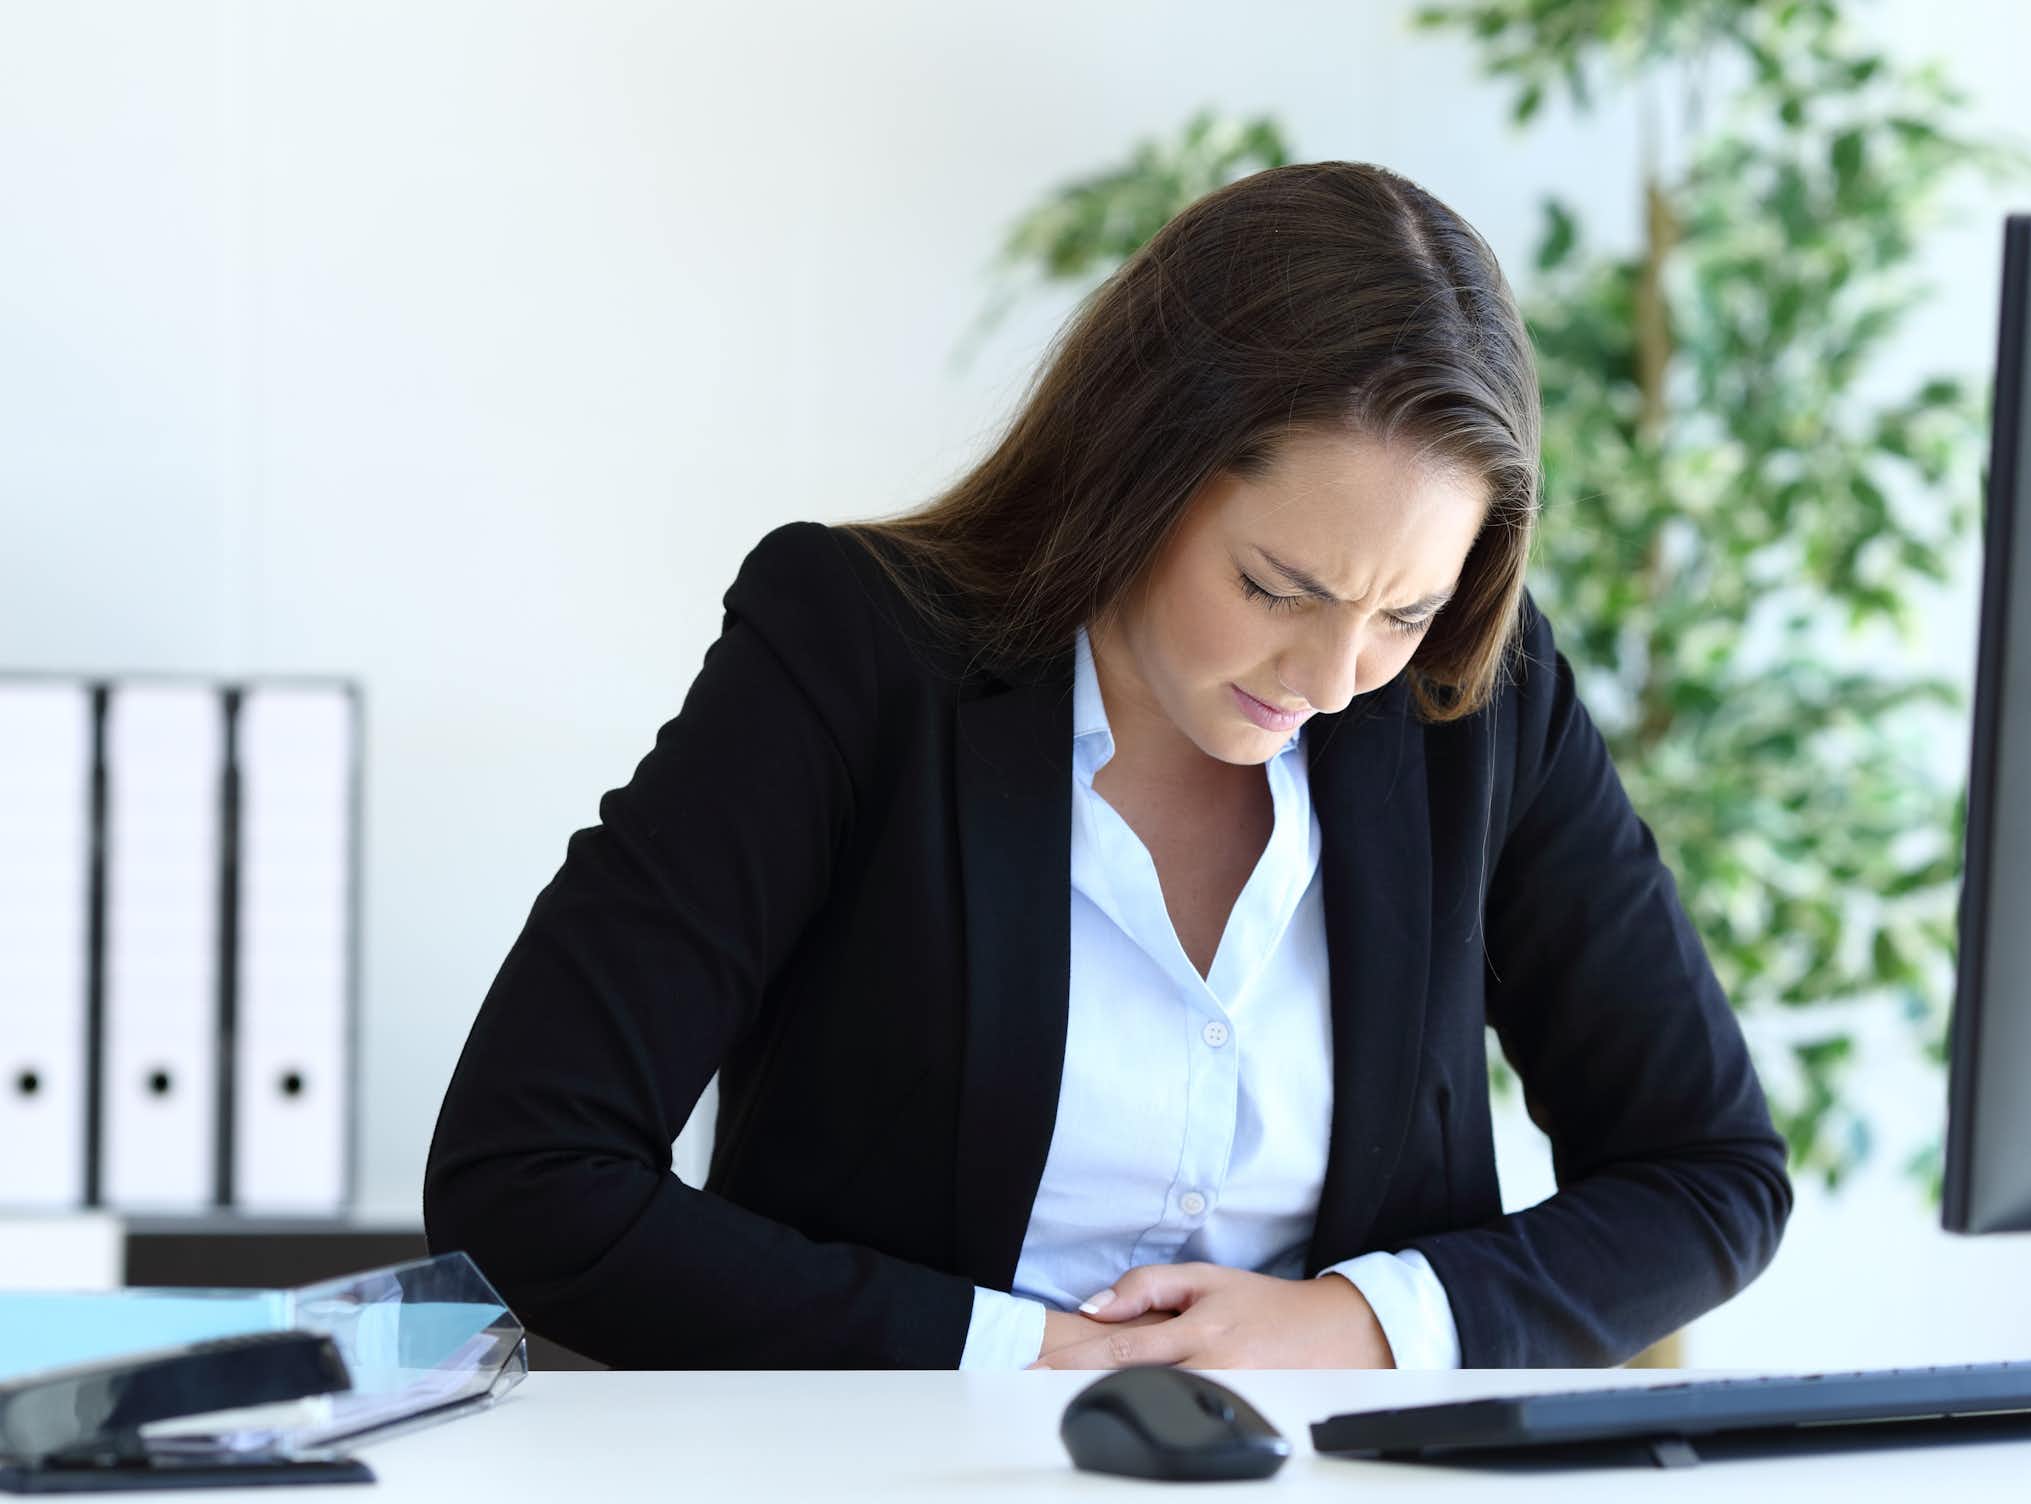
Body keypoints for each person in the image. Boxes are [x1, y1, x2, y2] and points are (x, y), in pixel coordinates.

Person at [422, 161, 1792, 1372]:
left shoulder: (1475, 703)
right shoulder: (851, 650)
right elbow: (525, 1174)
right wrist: (1019, 1353)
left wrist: (1363, 1324)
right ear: (1139, 465)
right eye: (1277, 587)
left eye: (1405, 611)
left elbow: (1710, 1174)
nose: (1331, 681)